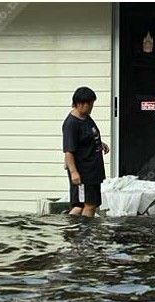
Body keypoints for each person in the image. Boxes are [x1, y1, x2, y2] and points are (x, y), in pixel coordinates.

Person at [62, 87, 110, 217]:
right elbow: (69, 151)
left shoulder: (86, 118)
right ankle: (80, 232)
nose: (91, 107)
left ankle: (76, 231)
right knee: (88, 204)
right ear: (80, 103)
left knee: (85, 204)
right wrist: (74, 172)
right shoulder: (71, 124)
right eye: (89, 104)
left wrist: (100, 143)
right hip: (83, 171)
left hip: (93, 170)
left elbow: (87, 137)